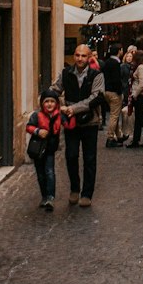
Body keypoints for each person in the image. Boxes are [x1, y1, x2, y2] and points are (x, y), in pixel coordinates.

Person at [55, 42, 105, 206]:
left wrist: (73, 108)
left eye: (83, 55)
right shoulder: (66, 73)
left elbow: (96, 97)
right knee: (71, 155)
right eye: (77, 55)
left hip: (89, 121)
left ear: (89, 57)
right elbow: (55, 89)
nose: (80, 58)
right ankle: (75, 189)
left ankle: (87, 193)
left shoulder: (96, 75)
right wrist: (51, 101)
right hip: (71, 123)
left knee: (89, 158)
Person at [25, 90, 63, 211]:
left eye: (52, 101)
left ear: (56, 103)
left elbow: (68, 125)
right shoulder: (36, 115)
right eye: (47, 102)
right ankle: (44, 196)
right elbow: (28, 127)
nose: (49, 104)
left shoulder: (59, 115)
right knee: (41, 174)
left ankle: (51, 197)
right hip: (38, 149)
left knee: (50, 172)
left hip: (50, 149)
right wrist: (38, 131)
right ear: (42, 103)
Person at [125, 48, 143, 148]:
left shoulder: (141, 68)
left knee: (142, 119)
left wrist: (134, 95)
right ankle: (136, 140)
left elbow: (141, 84)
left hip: (141, 96)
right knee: (139, 119)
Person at [101, 44, 126, 147]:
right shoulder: (115, 63)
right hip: (114, 92)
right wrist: (119, 91)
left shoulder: (107, 62)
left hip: (106, 90)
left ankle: (119, 135)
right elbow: (116, 79)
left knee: (114, 114)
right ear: (119, 51)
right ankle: (110, 138)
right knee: (114, 116)